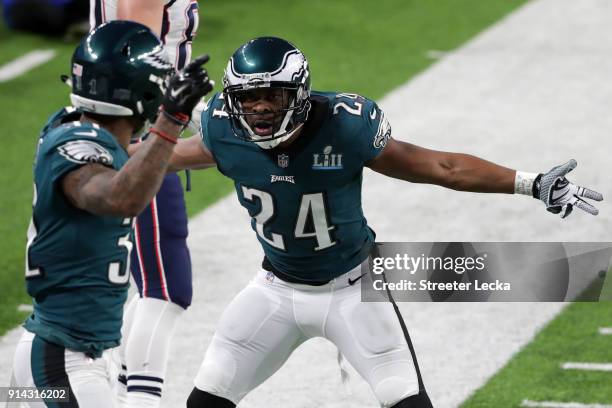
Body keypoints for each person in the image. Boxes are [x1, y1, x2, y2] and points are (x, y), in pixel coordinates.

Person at [167, 37, 602, 408]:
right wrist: (103, 157)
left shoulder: (344, 124)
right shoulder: (221, 130)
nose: (259, 108)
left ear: (297, 95)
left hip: (354, 291)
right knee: (205, 401)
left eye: (273, 96)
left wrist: (529, 183)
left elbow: (440, 167)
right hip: (275, 290)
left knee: (408, 402)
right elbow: (161, 158)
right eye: (248, 97)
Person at [11, 20, 212, 408]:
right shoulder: (76, 150)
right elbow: (120, 197)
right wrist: (171, 121)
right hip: (60, 363)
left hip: (62, 358)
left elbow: (149, 160)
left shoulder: (88, 135)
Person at [89, 1, 200, 406]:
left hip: (129, 126)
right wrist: (175, 121)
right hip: (140, 133)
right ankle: (138, 399)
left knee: (154, 280)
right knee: (165, 287)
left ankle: (122, 389)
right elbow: (134, 59)